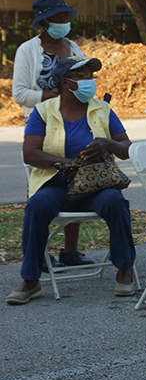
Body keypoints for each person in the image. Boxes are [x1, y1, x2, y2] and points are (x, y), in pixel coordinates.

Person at [6, 57, 137, 305]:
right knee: (36, 207)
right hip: (57, 184)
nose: (90, 82)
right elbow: (30, 153)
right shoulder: (43, 112)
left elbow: (126, 148)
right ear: (66, 82)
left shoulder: (102, 109)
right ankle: (31, 279)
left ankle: (125, 269)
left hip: (96, 185)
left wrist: (109, 144)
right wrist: (69, 163)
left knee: (116, 203)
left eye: (91, 76)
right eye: (83, 76)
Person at [12, 0, 93, 270]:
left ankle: (70, 250)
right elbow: (20, 93)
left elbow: (83, 79)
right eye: (57, 18)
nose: (63, 21)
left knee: (78, 183)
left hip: (75, 122)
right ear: (44, 22)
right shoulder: (28, 50)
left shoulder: (73, 48)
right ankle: (38, 255)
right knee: (42, 190)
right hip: (41, 126)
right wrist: (54, 97)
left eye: (65, 17)